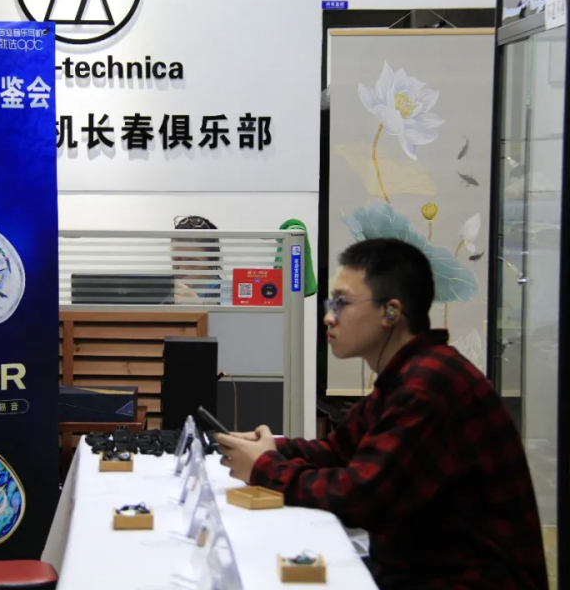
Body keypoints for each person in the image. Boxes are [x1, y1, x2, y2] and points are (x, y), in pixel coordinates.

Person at [215, 238, 548, 590]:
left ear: (391, 313)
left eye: (342, 303)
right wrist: (273, 448)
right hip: (423, 569)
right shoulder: (405, 375)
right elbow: (339, 452)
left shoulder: (426, 386)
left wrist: (265, 466)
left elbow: (359, 497)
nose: (329, 316)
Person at [171, 215, 231, 305]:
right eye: (176, 259)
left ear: (211, 263)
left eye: (191, 261)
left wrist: (197, 306)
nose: (181, 270)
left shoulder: (228, 295)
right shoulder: (168, 294)